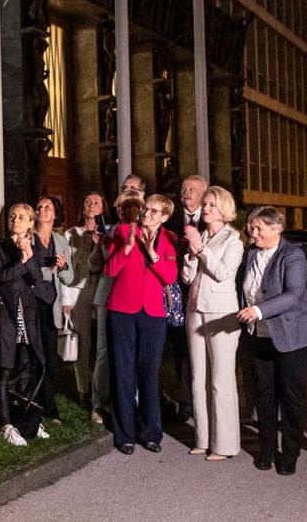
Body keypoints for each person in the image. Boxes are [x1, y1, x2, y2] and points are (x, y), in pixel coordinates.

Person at [236, 206, 307, 475]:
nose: (254, 233)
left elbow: (294, 294)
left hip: (294, 338)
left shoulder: (293, 255)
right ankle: (266, 449)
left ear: (277, 229)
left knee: (291, 396)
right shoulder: (251, 253)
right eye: (251, 227)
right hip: (259, 335)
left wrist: (258, 310)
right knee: (264, 394)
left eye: (259, 228)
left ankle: (290, 453)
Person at [105, 193, 179, 454]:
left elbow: (170, 277)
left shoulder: (169, 241)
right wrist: (126, 250)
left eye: (154, 211)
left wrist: (152, 254)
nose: (146, 214)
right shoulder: (124, 231)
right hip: (121, 310)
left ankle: (150, 433)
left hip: (154, 313)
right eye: (146, 209)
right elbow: (110, 270)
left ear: (165, 217)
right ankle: (124, 433)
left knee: (149, 372)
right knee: (122, 372)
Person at [181, 186, 244, 461]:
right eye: (205, 205)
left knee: (221, 379)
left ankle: (225, 444)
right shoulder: (202, 235)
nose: (205, 209)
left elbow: (223, 272)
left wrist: (201, 248)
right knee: (199, 378)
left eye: (211, 205)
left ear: (224, 209)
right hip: (196, 309)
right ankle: (204, 438)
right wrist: (190, 257)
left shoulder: (234, 240)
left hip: (221, 313)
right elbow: (187, 277)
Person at [0, 203, 46, 446]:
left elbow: (37, 281)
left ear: (31, 223)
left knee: (27, 367)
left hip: (26, 317)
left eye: (21, 217)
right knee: (5, 371)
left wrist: (29, 257)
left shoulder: (33, 247)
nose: (15, 220)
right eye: (12, 216)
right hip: (5, 316)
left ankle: (27, 418)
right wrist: (22, 260)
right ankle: (6, 425)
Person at [90, 188, 145, 423]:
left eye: (134, 201)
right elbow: (97, 266)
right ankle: (99, 403)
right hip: (108, 294)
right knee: (104, 351)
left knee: (134, 352)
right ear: (117, 206)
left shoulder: (146, 231)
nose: (129, 206)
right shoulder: (108, 231)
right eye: (124, 201)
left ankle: (132, 401)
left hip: (135, 298)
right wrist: (98, 244)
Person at [163, 174, 209, 420]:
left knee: (201, 349)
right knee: (180, 347)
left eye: (191, 188)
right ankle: (184, 402)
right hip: (176, 291)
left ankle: (203, 398)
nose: (185, 191)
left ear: (203, 193)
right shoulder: (170, 220)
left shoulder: (212, 219)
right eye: (183, 188)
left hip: (204, 292)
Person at [63, 191, 108, 415]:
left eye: (96, 202)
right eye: (87, 202)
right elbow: (67, 267)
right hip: (79, 290)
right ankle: (83, 389)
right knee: (81, 341)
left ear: (103, 208)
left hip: (102, 288)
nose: (91, 205)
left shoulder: (108, 232)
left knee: (103, 341)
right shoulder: (72, 233)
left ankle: (103, 390)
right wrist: (66, 299)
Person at [33, 196, 75, 425]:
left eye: (47, 207)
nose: (42, 210)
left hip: (50, 307)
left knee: (50, 360)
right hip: (31, 305)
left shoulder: (60, 241)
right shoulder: (28, 238)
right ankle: (30, 407)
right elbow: (28, 272)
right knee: (31, 358)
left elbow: (69, 278)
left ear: (55, 214)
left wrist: (63, 266)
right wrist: (49, 270)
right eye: (39, 207)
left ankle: (50, 409)